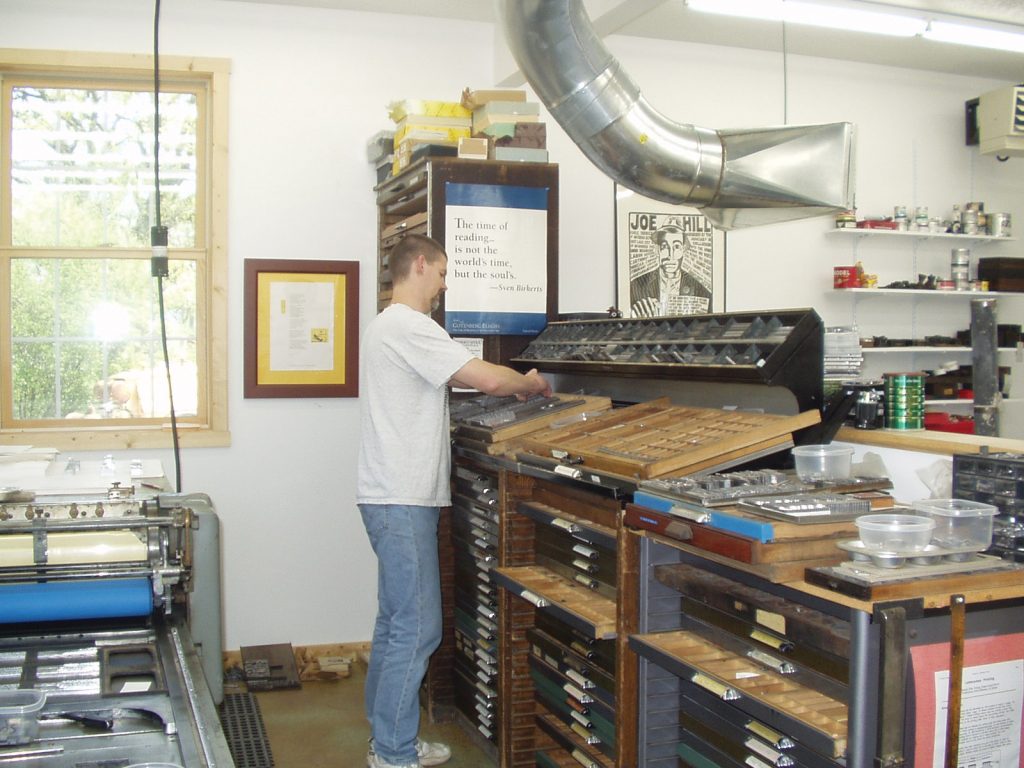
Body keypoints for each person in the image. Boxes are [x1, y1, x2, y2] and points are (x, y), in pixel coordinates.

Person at [357, 233, 552, 768]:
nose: (444, 285)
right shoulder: (408, 326)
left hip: (389, 495)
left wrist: (506, 384)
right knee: (419, 628)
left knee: (395, 622)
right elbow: (486, 378)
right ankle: (393, 754)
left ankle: (387, 739)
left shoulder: (386, 327)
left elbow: (463, 381)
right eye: (442, 273)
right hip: (400, 499)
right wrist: (530, 383)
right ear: (420, 265)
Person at [630, 215, 711, 317]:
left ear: (683, 250)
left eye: (676, 247)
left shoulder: (701, 292)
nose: (670, 255)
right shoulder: (635, 286)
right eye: (664, 246)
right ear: (658, 250)